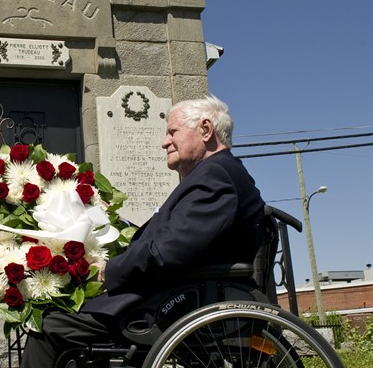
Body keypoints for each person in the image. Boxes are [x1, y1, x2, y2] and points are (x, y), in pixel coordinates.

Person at [20, 95, 265, 367]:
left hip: (179, 301)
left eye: (173, 132)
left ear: (206, 130)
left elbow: (168, 250)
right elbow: (174, 239)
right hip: (181, 292)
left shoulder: (216, 176)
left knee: (48, 324)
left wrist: (108, 270)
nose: (164, 142)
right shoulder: (217, 174)